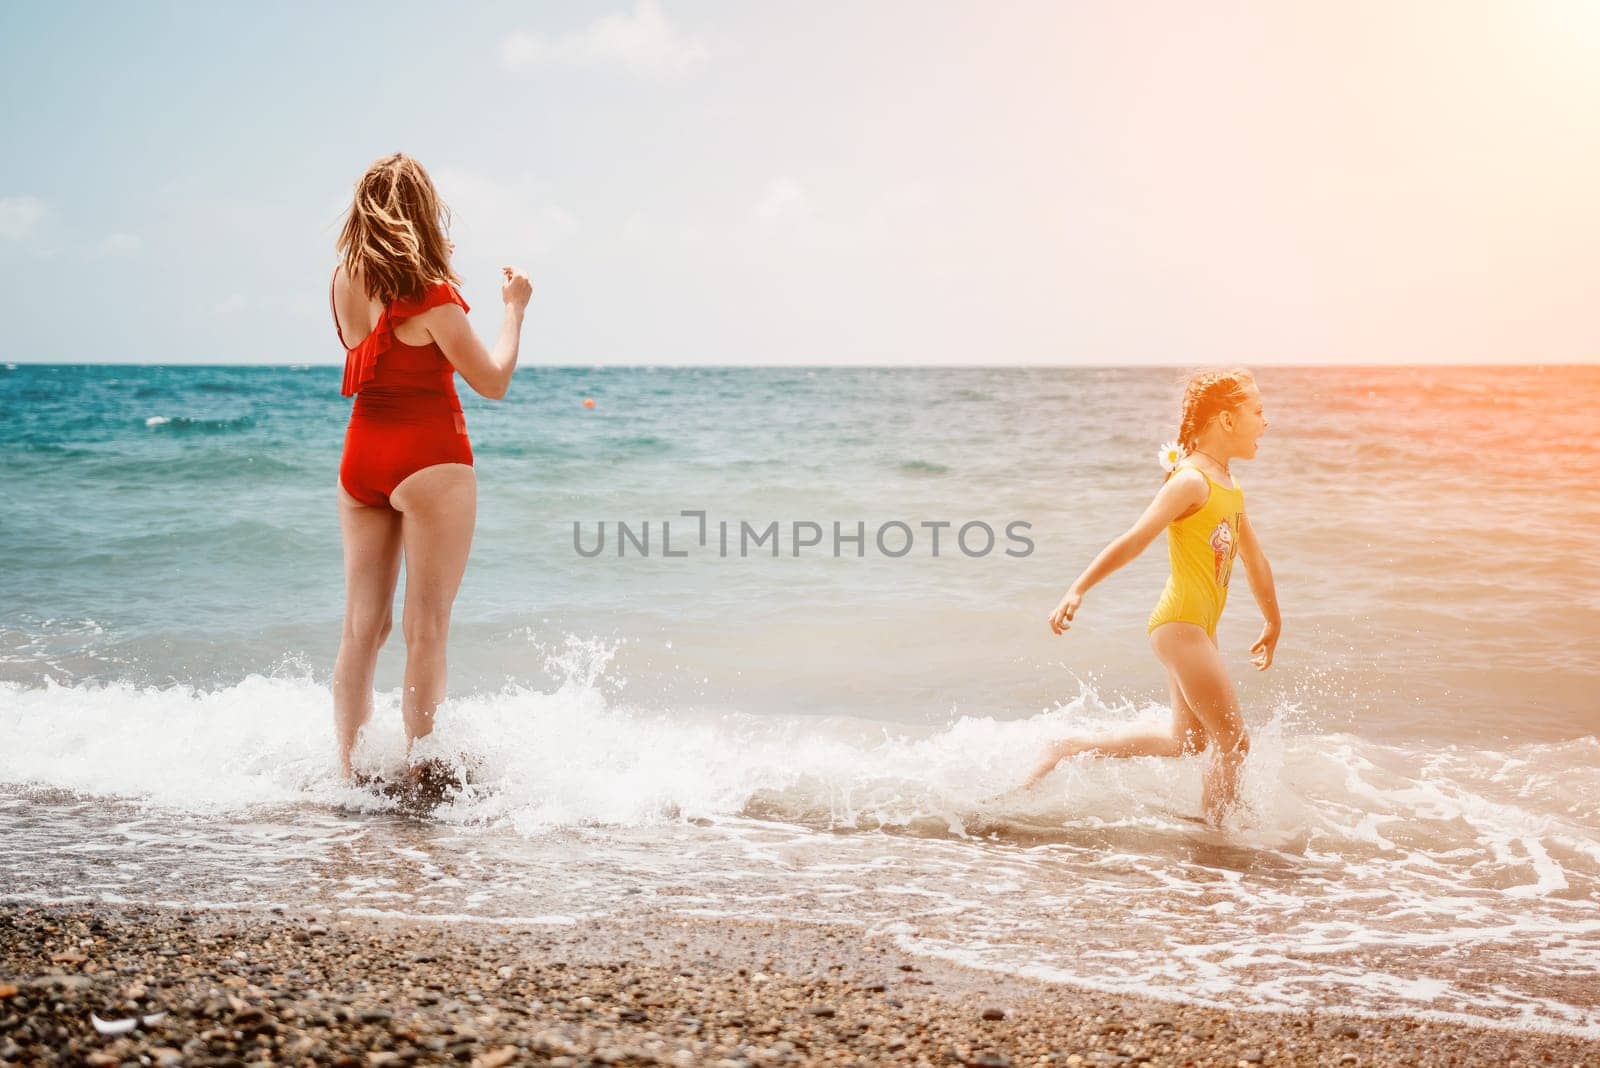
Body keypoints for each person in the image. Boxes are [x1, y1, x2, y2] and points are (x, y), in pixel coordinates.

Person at [328, 152, 533, 780]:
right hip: (429, 459)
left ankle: (351, 775)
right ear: (423, 209)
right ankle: (421, 770)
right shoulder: (434, 296)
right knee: (427, 625)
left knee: (362, 628)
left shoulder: (342, 279)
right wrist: (514, 308)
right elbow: (492, 381)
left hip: (361, 460)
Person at [1023, 368, 1280, 825]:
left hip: (1195, 629)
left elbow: (1255, 561)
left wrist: (1272, 620)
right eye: (1257, 412)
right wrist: (1078, 588)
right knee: (1234, 742)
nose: (1267, 421)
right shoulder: (1190, 482)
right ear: (1225, 419)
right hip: (1180, 627)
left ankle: (1071, 747)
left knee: (1188, 743)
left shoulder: (1229, 487)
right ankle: (1216, 839)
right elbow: (1135, 538)